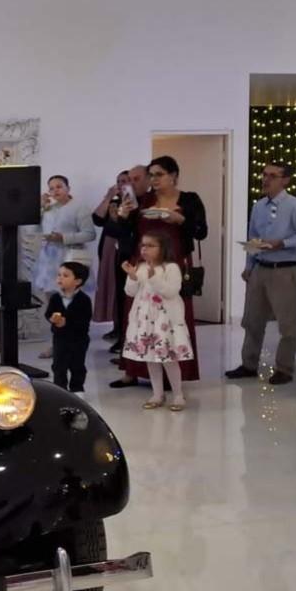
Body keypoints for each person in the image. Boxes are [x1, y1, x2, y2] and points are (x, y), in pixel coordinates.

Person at [110, 156, 207, 388]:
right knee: (136, 315)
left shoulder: (189, 199)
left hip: (173, 264)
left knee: (172, 317)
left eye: (159, 174)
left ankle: (173, 375)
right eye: (151, 175)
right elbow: (126, 232)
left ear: (173, 175)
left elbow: (201, 232)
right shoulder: (143, 200)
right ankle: (131, 371)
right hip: (142, 263)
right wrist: (123, 217)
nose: (154, 179)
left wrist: (179, 219)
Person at [225, 162, 296, 385]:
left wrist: (283, 243)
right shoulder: (259, 206)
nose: (266, 179)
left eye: (272, 176)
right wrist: (249, 265)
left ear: (285, 180)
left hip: (285, 271)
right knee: (252, 321)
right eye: (264, 175)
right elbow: (253, 236)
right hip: (260, 269)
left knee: (287, 324)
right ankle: (248, 364)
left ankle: (284, 368)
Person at [123, 232, 194, 411]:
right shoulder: (139, 267)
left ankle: (178, 394)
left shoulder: (171, 268)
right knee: (151, 359)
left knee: (168, 359)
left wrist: (154, 277)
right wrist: (132, 277)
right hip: (145, 321)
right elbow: (130, 292)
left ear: (162, 249)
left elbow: (170, 292)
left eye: (150, 246)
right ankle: (157, 393)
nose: (144, 249)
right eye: (143, 245)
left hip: (165, 322)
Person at [32, 175, 96, 357]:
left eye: (59, 186)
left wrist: (64, 237)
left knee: (73, 303)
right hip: (49, 260)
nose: (55, 191)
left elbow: (90, 234)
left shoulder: (79, 208)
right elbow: (32, 230)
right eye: (51, 188)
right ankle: (56, 344)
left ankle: (75, 341)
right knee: (54, 304)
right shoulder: (48, 209)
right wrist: (39, 208)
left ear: (68, 188)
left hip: (70, 257)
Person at [99, 164, 153, 355]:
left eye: (134, 179)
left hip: (147, 260)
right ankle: (123, 342)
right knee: (124, 300)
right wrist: (119, 217)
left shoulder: (152, 201)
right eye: (127, 180)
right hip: (125, 257)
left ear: (148, 180)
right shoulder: (124, 202)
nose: (129, 184)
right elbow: (111, 230)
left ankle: (140, 347)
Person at [92, 170, 132, 330]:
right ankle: (116, 327)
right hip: (109, 248)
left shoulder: (134, 203)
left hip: (125, 248)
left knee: (123, 288)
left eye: (125, 181)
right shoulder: (113, 202)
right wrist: (108, 197)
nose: (121, 185)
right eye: (119, 181)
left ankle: (123, 329)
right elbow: (97, 219)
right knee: (111, 285)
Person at [45, 262, 92, 393]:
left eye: (65, 276)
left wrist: (67, 323)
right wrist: (52, 319)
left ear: (77, 281)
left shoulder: (84, 300)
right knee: (58, 366)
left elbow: (84, 321)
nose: (60, 278)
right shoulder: (55, 298)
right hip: (60, 338)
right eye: (59, 275)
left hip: (78, 340)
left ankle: (77, 389)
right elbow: (48, 313)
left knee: (77, 365)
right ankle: (60, 391)